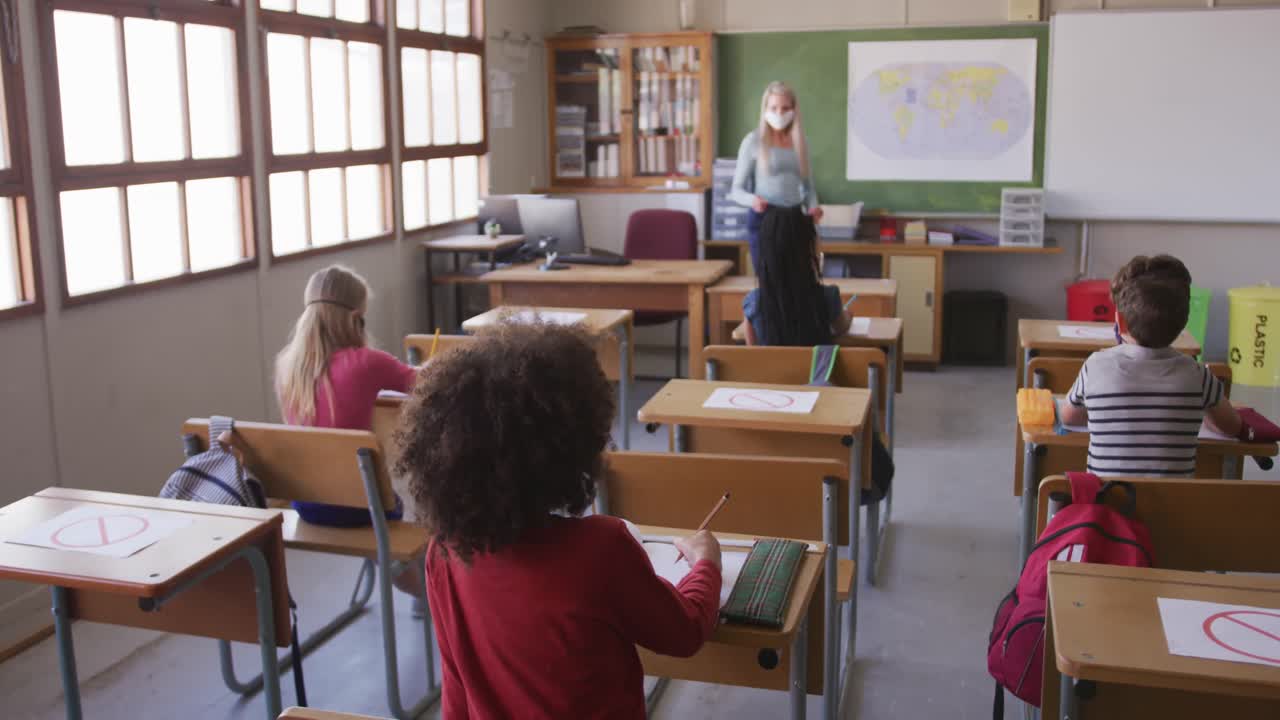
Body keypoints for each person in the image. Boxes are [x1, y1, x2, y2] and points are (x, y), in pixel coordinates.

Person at [395, 322, 722, 719]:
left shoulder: (445, 551)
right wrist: (706, 564)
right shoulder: (603, 548)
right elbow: (684, 633)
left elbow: (457, 688)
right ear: (573, 442)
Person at [1059, 255, 1242, 477]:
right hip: (1176, 509)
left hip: (1108, 505)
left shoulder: (1096, 366)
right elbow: (1232, 427)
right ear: (1184, 322)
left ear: (1120, 321)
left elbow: (1068, 417)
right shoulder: (1198, 375)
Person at [274, 265, 417, 525]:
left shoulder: (287, 366)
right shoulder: (367, 362)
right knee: (411, 501)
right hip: (360, 504)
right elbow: (424, 384)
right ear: (355, 319)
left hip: (307, 503)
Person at [729, 81, 822, 270]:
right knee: (771, 282)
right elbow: (736, 190)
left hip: (795, 219)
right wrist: (753, 200)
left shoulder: (801, 142)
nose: (779, 113)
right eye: (774, 108)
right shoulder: (753, 141)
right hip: (766, 219)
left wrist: (813, 207)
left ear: (794, 110)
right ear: (765, 109)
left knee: (798, 284)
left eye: (785, 108)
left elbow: (808, 186)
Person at [743, 206, 852, 346]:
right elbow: (841, 328)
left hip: (772, 369)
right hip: (815, 369)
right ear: (809, 251)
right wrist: (848, 316)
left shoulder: (753, 303)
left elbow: (752, 353)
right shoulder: (828, 297)